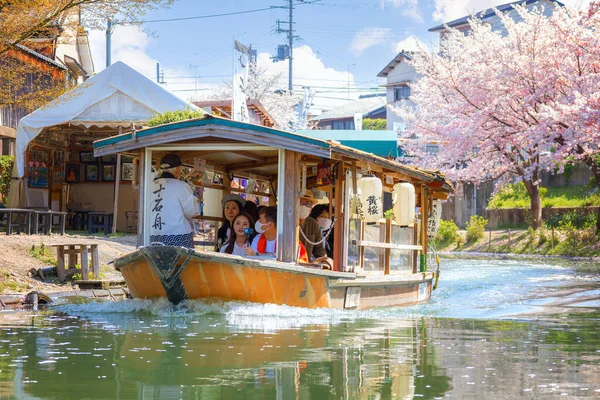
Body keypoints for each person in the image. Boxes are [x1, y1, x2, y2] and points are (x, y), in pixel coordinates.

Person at [149, 154, 199, 249]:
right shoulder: (181, 186)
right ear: (178, 169)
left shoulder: (150, 185)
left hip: (152, 235)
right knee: (180, 263)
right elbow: (192, 212)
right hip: (178, 237)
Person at [298, 190, 327, 262]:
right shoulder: (286, 222)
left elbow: (319, 250)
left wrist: (324, 261)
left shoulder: (313, 224)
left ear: (311, 208)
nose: (304, 206)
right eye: (301, 203)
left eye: (307, 204)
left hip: (306, 266)